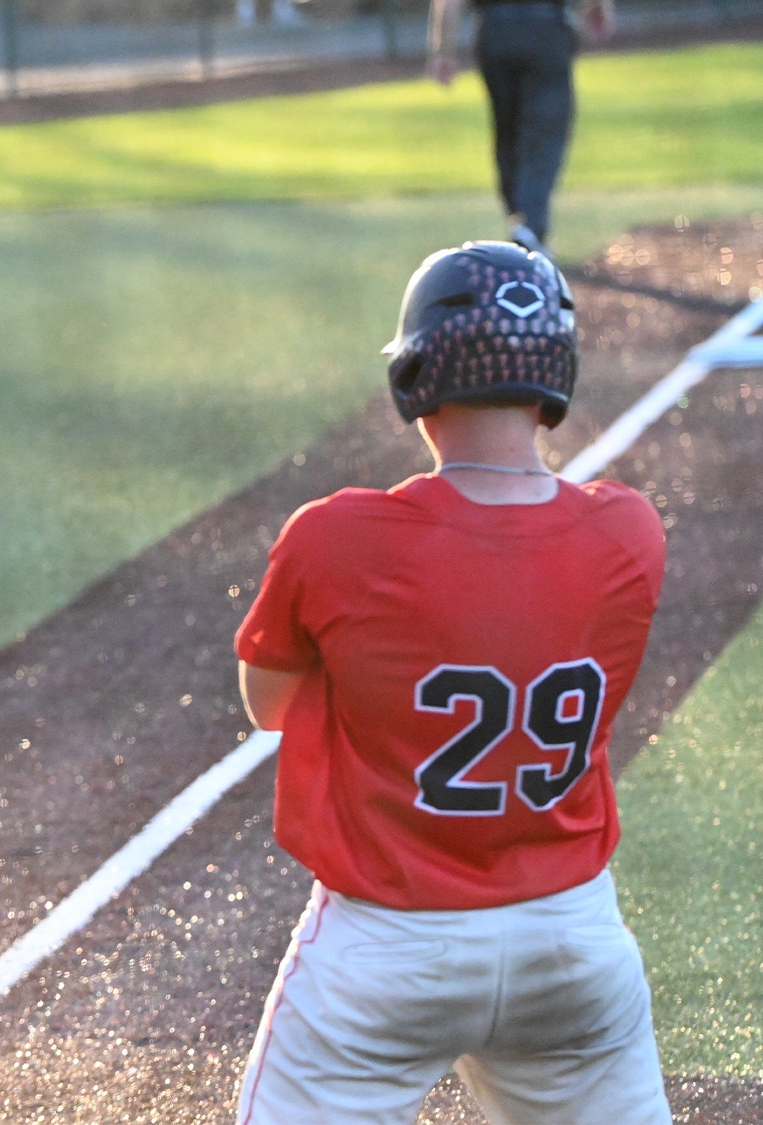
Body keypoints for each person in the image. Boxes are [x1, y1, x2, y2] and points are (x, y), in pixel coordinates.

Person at [231, 242, 672, 1124]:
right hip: (572, 944)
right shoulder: (630, 530)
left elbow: (268, 704)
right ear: (556, 378)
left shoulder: (338, 536)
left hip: (387, 951)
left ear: (416, 378)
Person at [429, 0, 615, 258]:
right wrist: (597, 9)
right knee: (545, 133)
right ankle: (529, 226)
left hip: (495, 33)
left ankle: (518, 220)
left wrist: (443, 51)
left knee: (507, 131)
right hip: (546, 29)